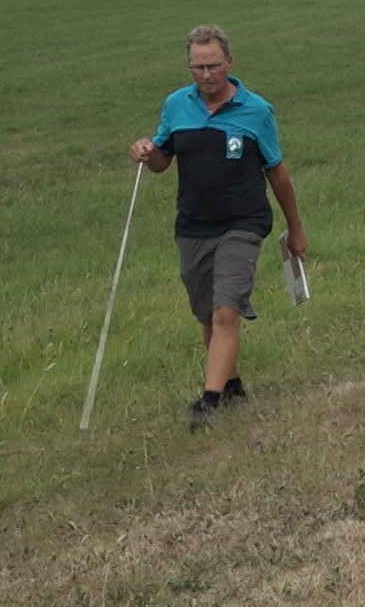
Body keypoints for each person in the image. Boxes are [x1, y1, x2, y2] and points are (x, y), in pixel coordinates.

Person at [128, 25, 307, 430]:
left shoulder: (256, 111)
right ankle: (232, 386)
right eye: (197, 67)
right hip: (193, 225)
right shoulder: (176, 105)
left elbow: (277, 173)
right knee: (209, 315)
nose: (206, 75)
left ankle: (208, 403)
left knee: (227, 309)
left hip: (243, 223)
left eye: (212, 66)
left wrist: (295, 230)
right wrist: (145, 151)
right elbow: (162, 161)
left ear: (229, 62)